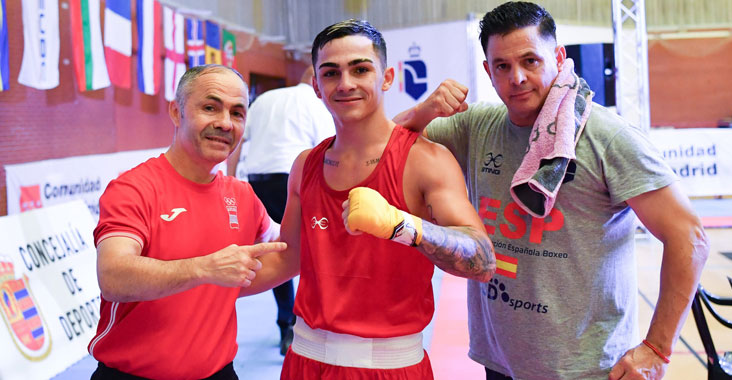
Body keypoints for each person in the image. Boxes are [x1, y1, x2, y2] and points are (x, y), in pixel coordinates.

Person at [394, 2, 709, 380]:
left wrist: (657, 348)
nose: (518, 78)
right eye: (503, 66)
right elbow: (387, 148)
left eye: (531, 61)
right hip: (500, 361)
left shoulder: (607, 137)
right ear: (488, 72)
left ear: (558, 58)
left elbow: (689, 236)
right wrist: (423, 111)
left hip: (588, 369)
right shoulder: (476, 126)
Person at [241, 19, 496, 379]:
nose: (345, 84)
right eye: (330, 73)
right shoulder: (305, 165)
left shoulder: (426, 160)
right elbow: (288, 258)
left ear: (387, 77)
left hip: (388, 366)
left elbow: (482, 260)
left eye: (360, 69)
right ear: (316, 85)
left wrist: (403, 226)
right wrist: (197, 280)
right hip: (303, 361)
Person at [88, 64, 286, 380]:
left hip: (220, 372)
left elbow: (285, 249)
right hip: (132, 374)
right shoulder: (135, 188)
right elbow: (113, 276)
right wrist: (204, 268)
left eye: (237, 113)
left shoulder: (242, 196)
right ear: (177, 112)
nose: (225, 123)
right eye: (210, 107)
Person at [226, 65, 335, 355]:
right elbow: (327, 148)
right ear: (315, 81)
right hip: (294, 179)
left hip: (257, 179)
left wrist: (232, 176)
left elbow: (238, 142)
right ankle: (315, 319)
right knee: (315, 247)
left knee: (276, 249)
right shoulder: (315, 102)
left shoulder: (264, 99)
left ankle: (287, 324)